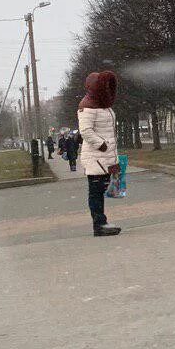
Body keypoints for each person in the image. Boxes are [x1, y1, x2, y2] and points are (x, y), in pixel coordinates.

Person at [77, 71, 122, 237]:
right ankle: (99, 224)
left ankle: (102, 222)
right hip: (96, 157)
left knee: (102, 190)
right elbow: (86, 131)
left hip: (107, 156)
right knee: (96, 193)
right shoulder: (87, 106)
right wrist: (102, 145)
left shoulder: (104, 105)